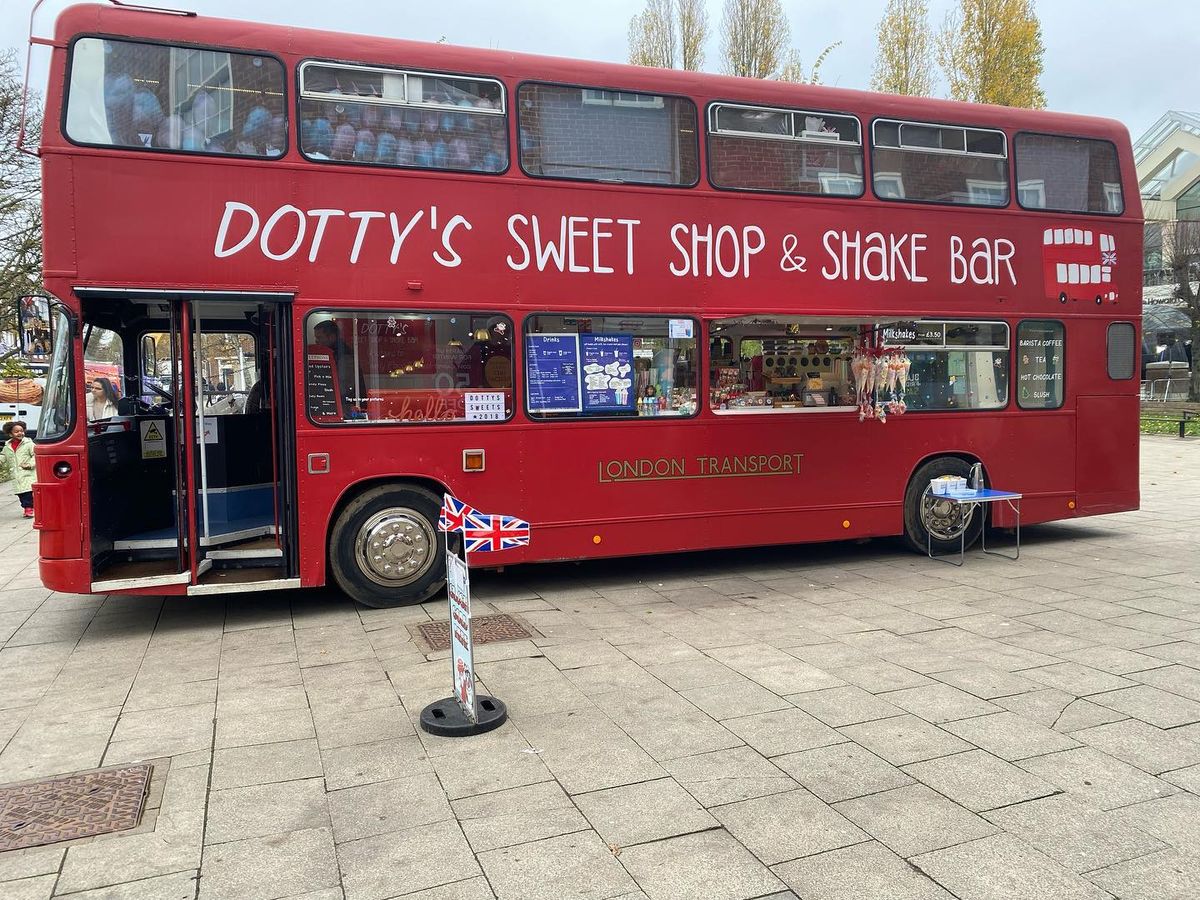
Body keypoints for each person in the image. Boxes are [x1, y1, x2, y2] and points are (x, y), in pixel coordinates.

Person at [313, 320, 362, 411]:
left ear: (331, 337)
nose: (316, 341)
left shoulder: (344, 355)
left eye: (319, 338)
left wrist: (323, 389)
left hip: (346, 406)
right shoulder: (334, 353)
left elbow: (345, 387)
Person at [2, 421, 36, 518]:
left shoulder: (29, 444)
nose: (20, 433)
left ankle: (29, 509)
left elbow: (35, 455)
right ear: (10, 434)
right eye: (16, 432)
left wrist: (30, 464)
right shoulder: (7, 447)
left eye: (21, 431)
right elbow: (3, 457)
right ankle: (28, 507)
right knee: (21, 493)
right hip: (16, 474)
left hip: (28, 473)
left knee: (28, 493)